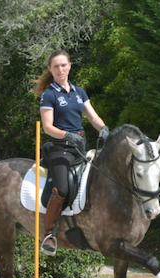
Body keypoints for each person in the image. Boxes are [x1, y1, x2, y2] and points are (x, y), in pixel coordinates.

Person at [31, 49, 109, 256]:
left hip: (81, 149)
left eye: (63, 65)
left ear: (69, 66)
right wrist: (67, 135)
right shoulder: (49, 95)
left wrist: (105, 129)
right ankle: (48, 235)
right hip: (61, 150)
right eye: (56, 66)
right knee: (62, 190)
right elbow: (47, 127)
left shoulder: (79, 92)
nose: (60, 69)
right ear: (50, 69)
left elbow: (93, 117)